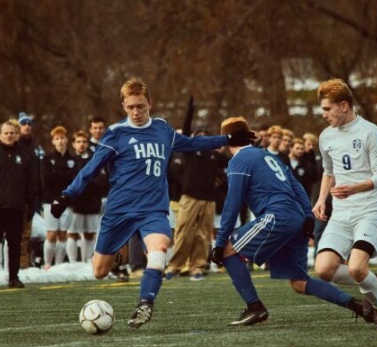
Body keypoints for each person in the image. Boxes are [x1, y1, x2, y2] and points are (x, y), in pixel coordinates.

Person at [50, 77, 255, 329]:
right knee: (99, 271)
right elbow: (91, 170)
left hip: (153, 209)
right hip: (119, 211)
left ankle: (145, 303)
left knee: (159, 250)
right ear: (123, 105)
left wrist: (227, 140)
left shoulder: (161, 129)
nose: (136, 112)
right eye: (131, 107)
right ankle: (117, 255)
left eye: (141, 106)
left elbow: (191, 144)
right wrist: (66, 195)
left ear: (150, 103)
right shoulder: (115, 134)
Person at [211, 116, 374, 327]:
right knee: (299, 282)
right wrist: (307, 216)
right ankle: (357, 305)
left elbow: (232, 204)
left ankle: (255, 307)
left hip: (276, 216)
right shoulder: (269, 156)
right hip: (295, 216)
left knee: (226, 251)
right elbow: (296, 186)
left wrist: (220, 241)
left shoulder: (239, 160)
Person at [312, 78, 377, 329]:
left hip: (370, 209)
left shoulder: (370, 132)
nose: (323, 114)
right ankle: (371, 280)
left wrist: (354, 188)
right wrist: (322, 199)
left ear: (344, 105)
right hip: (341, 213)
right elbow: (328, 171)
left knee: (356, 267)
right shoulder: (326, 137)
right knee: (323, 270)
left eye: (327, 109)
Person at [165, 128, 227, 281]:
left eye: (205, 137)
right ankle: (174, 267)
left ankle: (196, 268)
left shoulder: (214, 155)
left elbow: (226, 169)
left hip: (209, 199)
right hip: (190, 198)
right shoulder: (189, 152)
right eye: (199, 137)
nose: (202, 140)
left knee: (203, 235)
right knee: (183, 232)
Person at [0, 121, 35, 288]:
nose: (9, 136)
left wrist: (31, 204)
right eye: (6, 133)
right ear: (1, 134)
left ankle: (13, 277)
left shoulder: (25, 156)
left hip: (16, 207)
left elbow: (31, 183)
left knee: (15, 243)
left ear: (17, 135)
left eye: (12, 133)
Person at [66, 130, 107, 263]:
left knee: (89, 234)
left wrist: (87, 180)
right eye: (78, 142)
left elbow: (102, 180)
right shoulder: (69, 160)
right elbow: (67, 180)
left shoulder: (94, 160)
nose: (81, 144)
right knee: (72, 233)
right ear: (73, 144)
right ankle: (72, 263)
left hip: (92, 202)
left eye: (84, 142)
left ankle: (87, 262)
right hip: (75, 203)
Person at [42, 126, 78, 269]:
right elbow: (46, 178)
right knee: (51, 233)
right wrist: (62, 175)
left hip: (67, 201)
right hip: (50, 201)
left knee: (63, 234)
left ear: (67, 140)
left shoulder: (73, 160)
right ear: (53, 141)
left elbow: (73, 178)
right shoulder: (47, 159)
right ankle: (47, 264)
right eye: (57, 139)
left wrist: (57, 173)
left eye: (62, 138)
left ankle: (58, 265)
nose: (60, 141)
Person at [17, 112, 45, 268]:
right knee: (15, 233)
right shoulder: (15, 147)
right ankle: (12, 264)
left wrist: (39, 195)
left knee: (29, 233)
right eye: (23, 124)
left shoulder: (35, 147)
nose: (27, 126)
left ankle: (25, 263)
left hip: (33, 195)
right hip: (16, 196)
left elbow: (38, 174)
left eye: (29, 124)